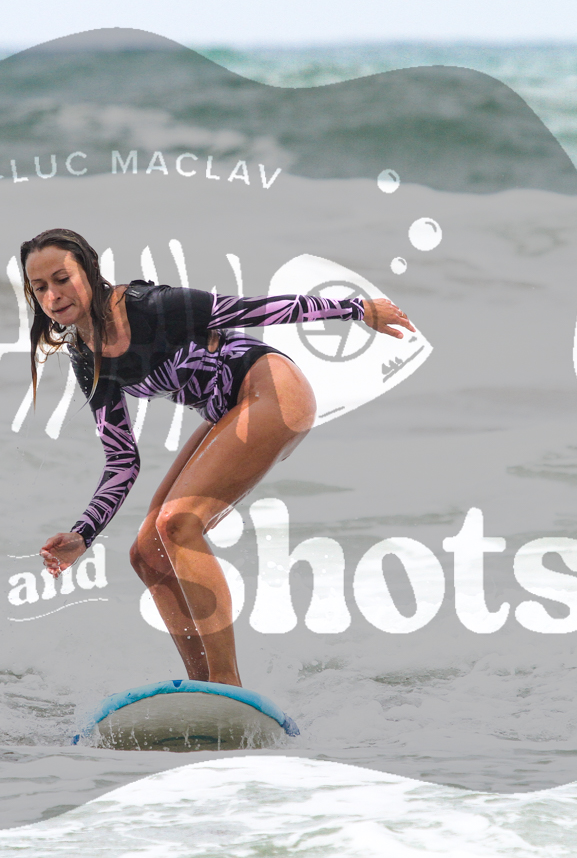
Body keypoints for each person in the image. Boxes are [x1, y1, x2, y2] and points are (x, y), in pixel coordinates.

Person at [22, 229, 413, 687]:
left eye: (62, 279)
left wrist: (355, 309)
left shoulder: (150, 306)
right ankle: (203, 687)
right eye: (40, 288)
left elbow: (252, 309)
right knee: (147, 553)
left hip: (272, 389)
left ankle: (228, 685)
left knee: (178, 524)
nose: (53, 296)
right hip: (229, 413)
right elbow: (122, 459)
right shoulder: (87, 357)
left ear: (89, 271)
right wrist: (83, 533)